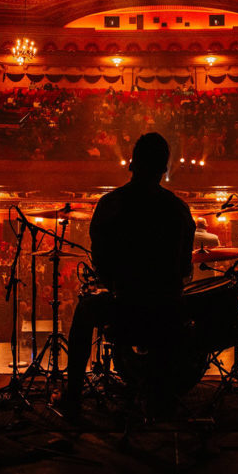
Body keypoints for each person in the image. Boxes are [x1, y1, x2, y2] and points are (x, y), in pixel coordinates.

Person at [60, 132, 195, 419]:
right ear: (164, 168)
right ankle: (165, 390)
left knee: (85, 310)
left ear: (133, 164)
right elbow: (185, 270)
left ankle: (72, 395)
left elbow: (102, 265)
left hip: (126, 309)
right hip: (168, 313)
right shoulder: (179, 210)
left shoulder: (111, 205)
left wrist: (119, 286)